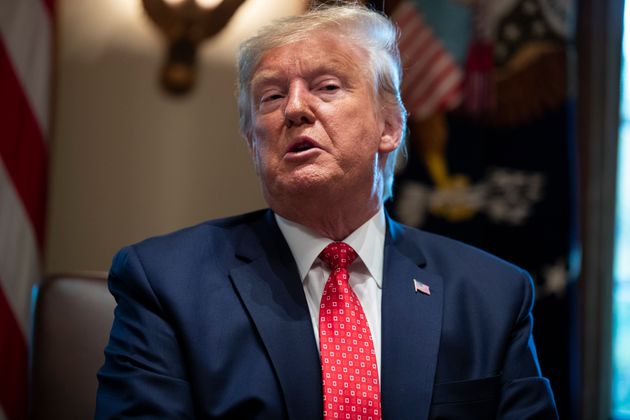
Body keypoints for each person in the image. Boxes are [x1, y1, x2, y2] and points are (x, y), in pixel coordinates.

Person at [95, 3, 558, 419]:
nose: (294, 108)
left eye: (327, 86)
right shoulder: (165, 283)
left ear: (390, 126)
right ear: (252, 142)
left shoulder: (492, 295)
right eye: (272, 96)